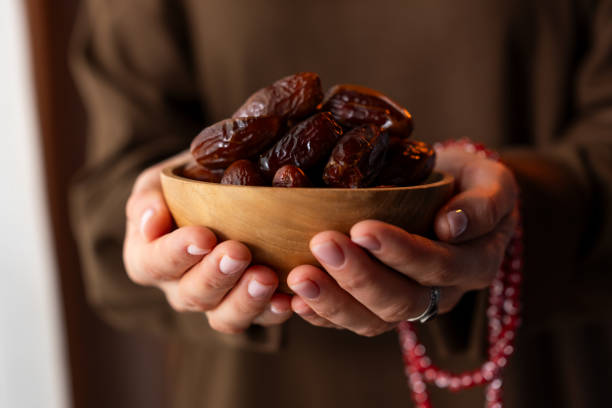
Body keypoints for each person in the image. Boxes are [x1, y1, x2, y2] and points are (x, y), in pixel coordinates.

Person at [69, 1, 612, 407]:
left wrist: (513, 212)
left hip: (537, 372)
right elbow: (113, 181)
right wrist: (161, 221)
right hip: (254, 386)